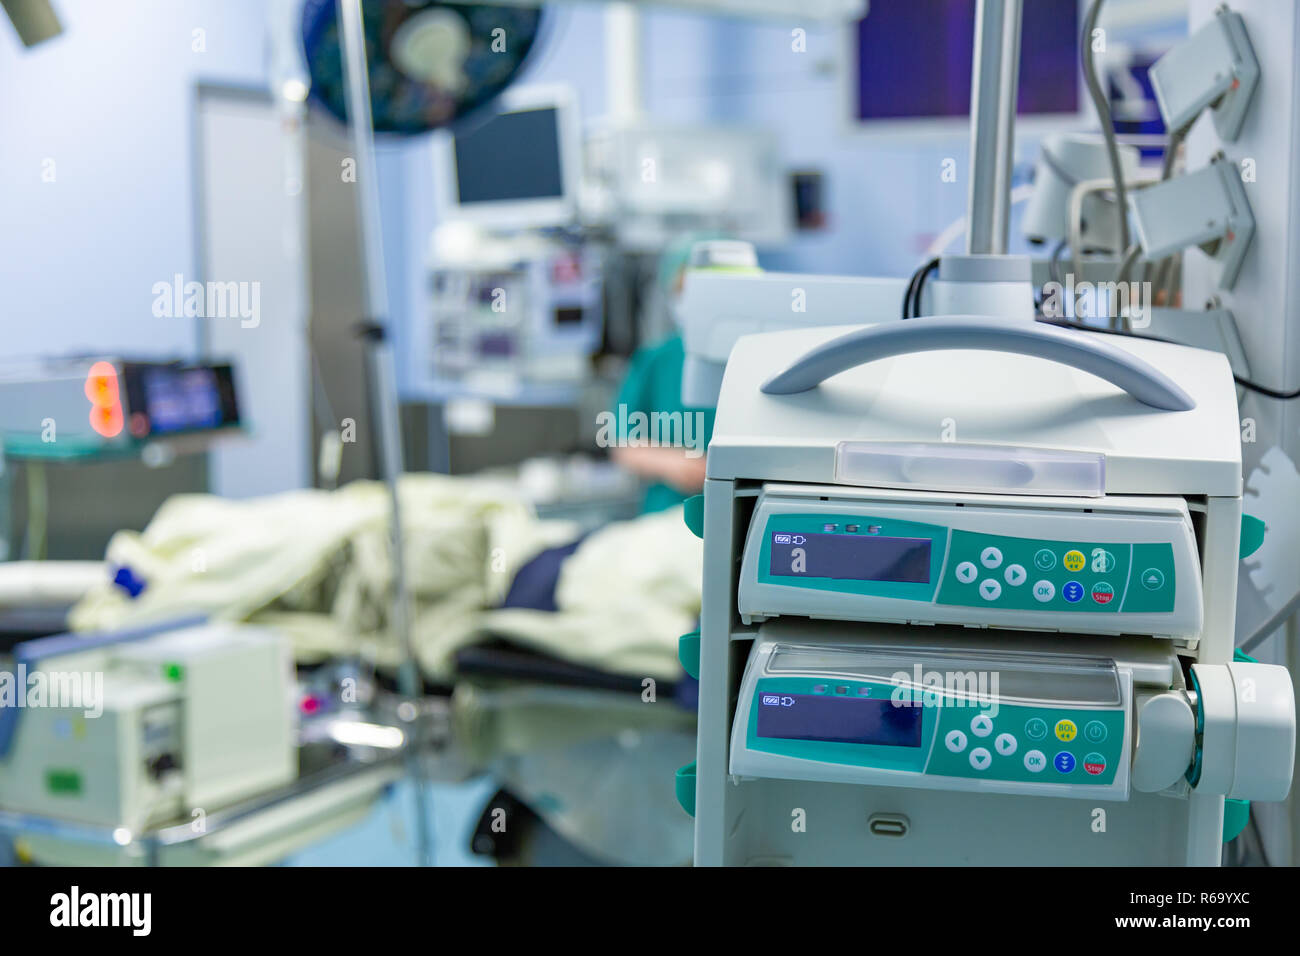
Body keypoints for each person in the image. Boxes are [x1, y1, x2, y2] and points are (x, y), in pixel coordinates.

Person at [609, 234, 756, 513]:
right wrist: (674, 463)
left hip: (741, 510)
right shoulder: (657, 360)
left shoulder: (756, 356)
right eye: (682, 291)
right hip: (669, 512)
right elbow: (624, 445)